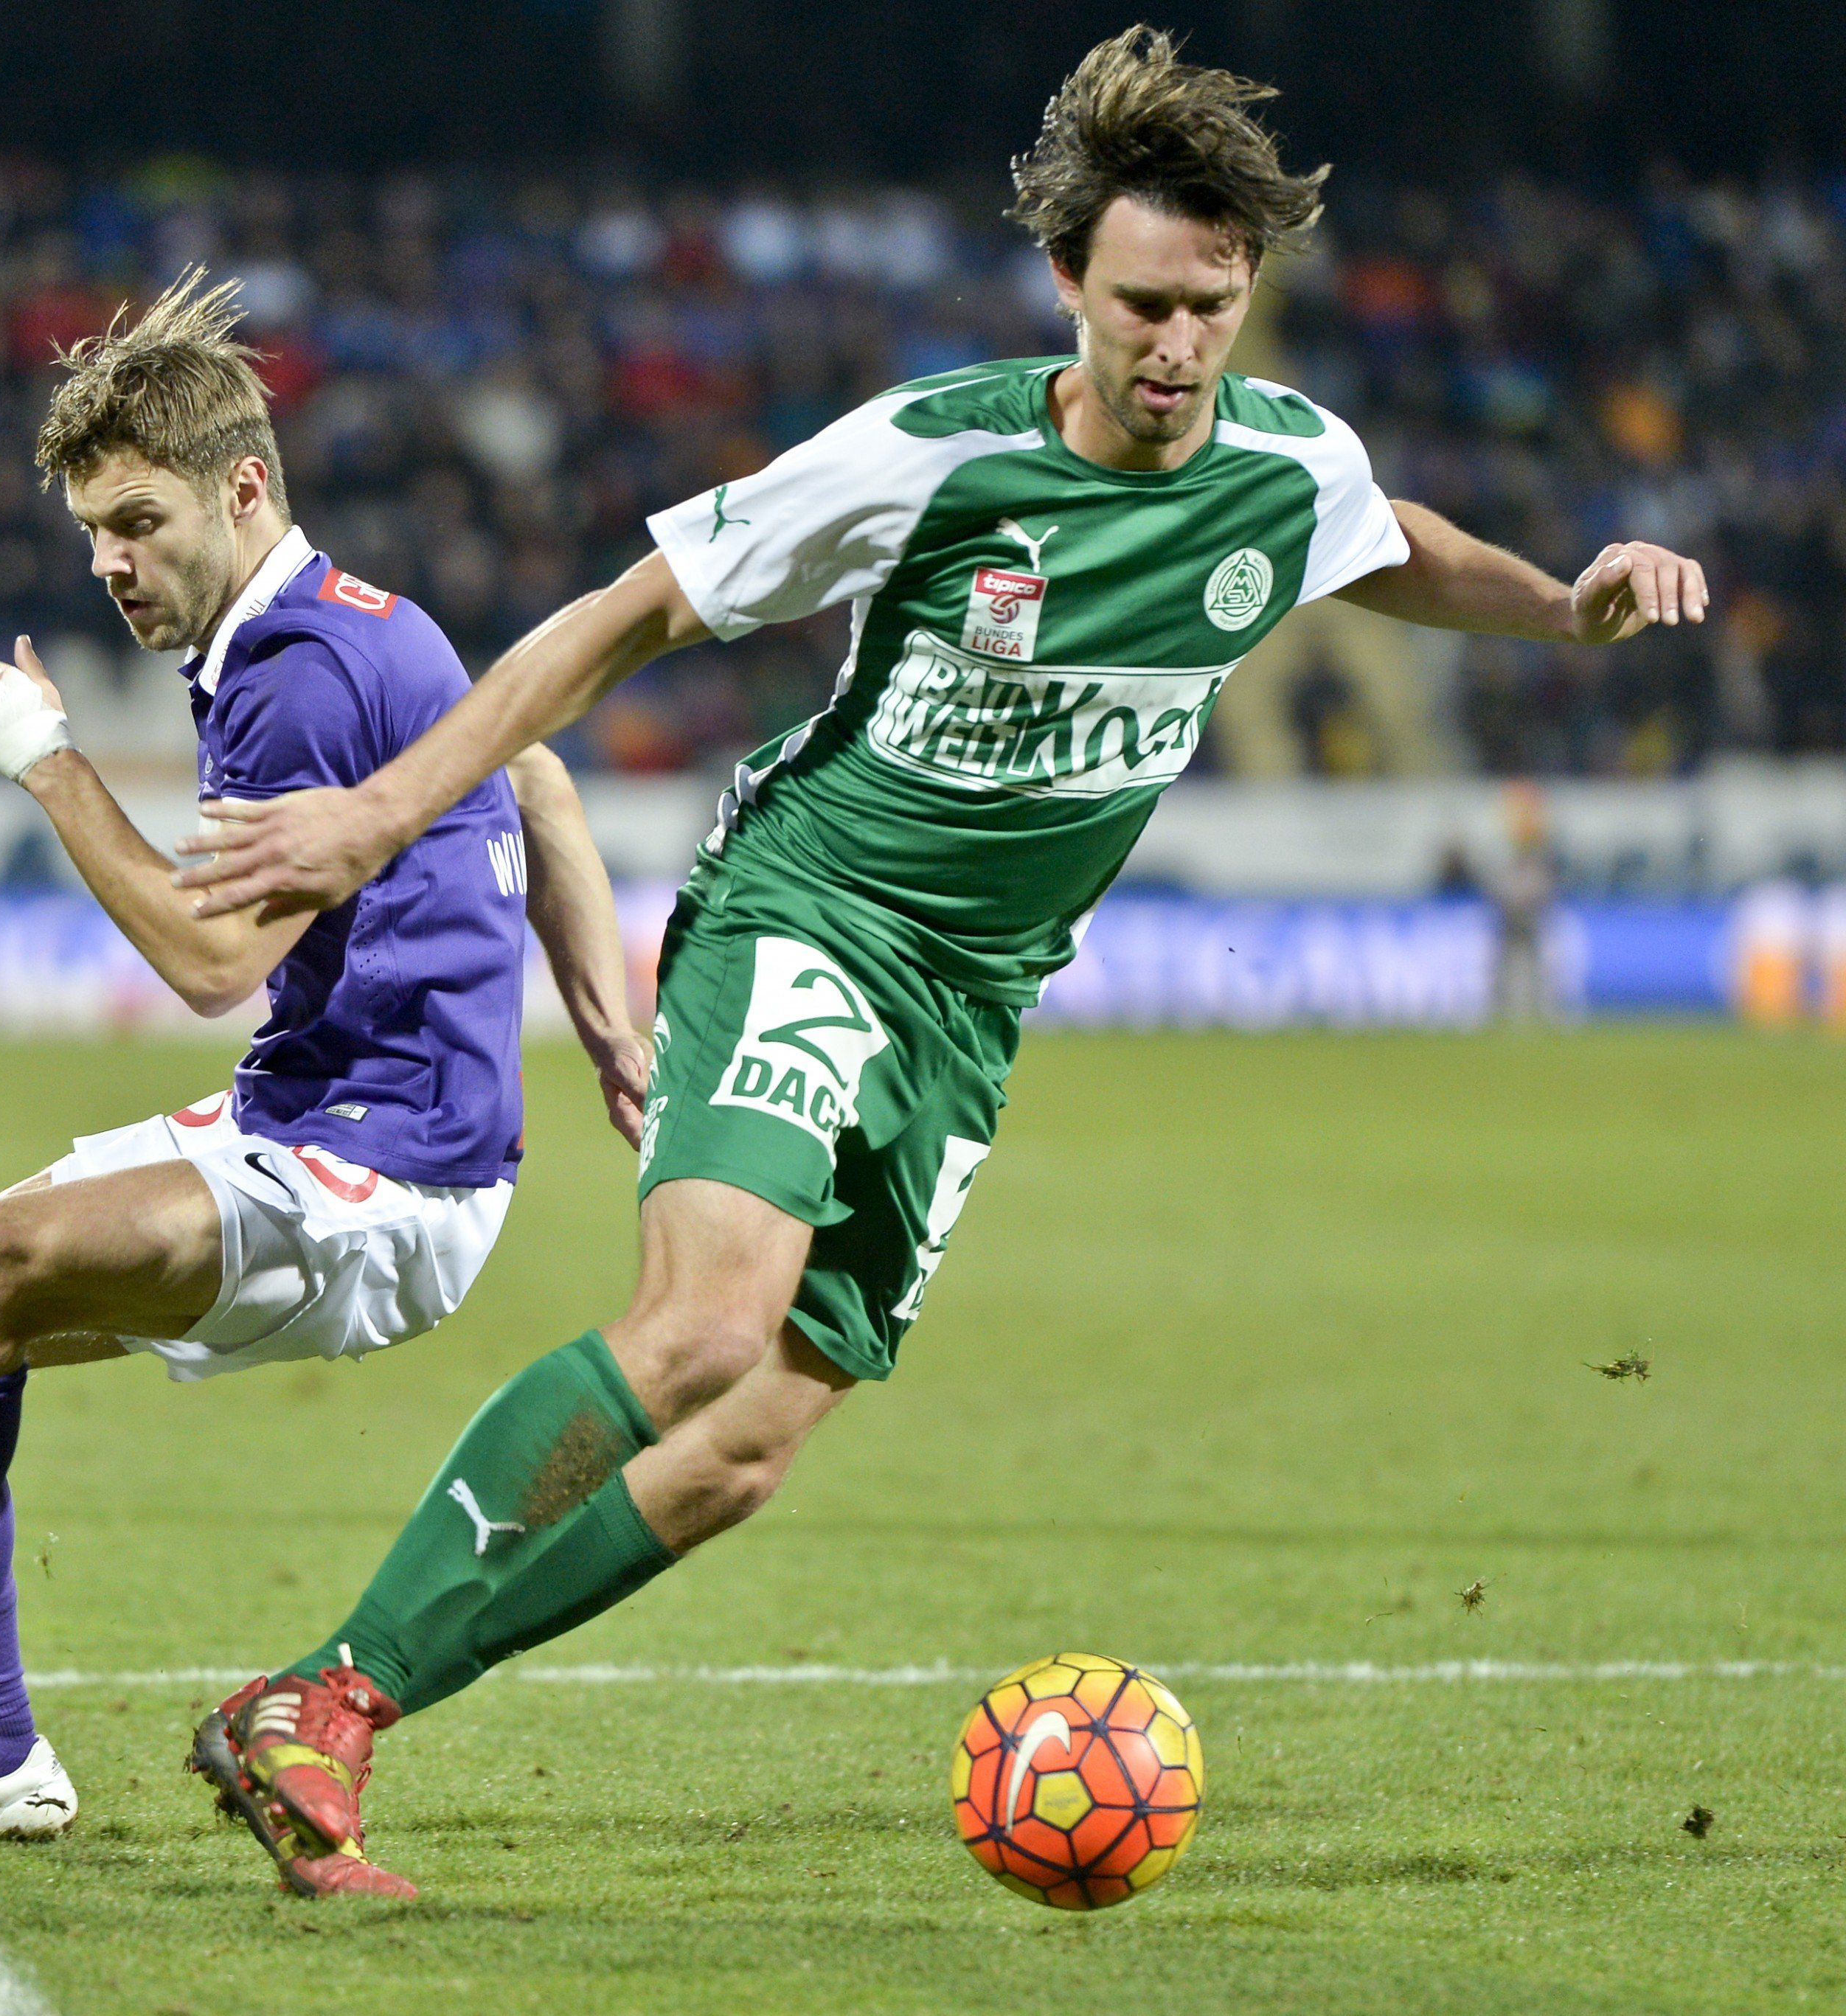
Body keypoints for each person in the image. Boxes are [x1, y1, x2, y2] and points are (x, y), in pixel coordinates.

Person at [167, 27, 1710, 1898]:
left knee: (745, 1447)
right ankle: (323, 1704)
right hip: (811, 911)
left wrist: (1561, 604)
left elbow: (1386, 546)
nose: (1176, 345)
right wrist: (372, 815)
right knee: (702, 1329)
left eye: (1213, 307)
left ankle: (331, 1695)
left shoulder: (1289, 465)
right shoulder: (935, 451)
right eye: (1141, 302)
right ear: (1066, 282)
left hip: (974, 1008)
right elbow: (627, 615)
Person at [0, 275, 644, 1893]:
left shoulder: (289, 671)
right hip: (301, 1120)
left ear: (243, 489)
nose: (112, 565)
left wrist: (47, 765)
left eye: (138, 523)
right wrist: (598, 1008)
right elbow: (539, 766)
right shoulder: (362, 626)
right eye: (92, 535)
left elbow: (210, 963)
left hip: (382, 1178)